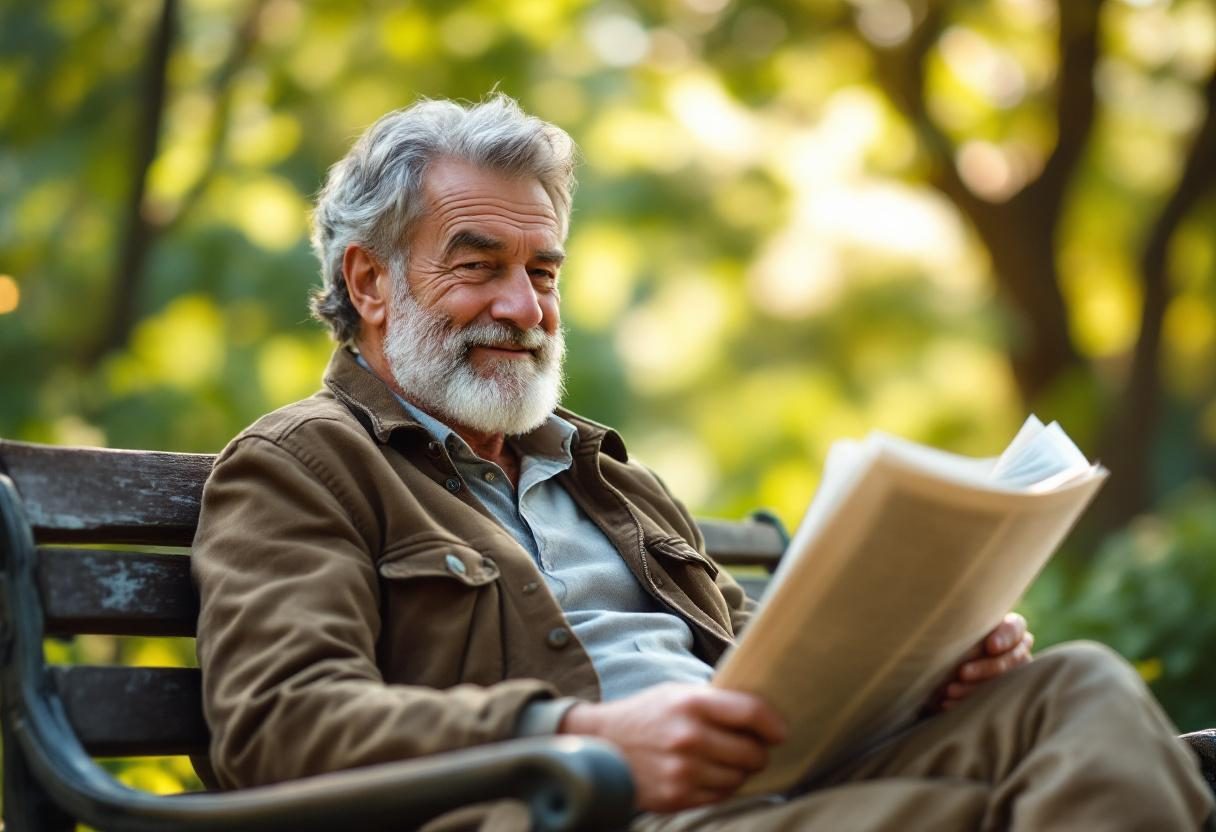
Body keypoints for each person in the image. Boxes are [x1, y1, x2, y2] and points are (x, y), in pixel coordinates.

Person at [192, 94, 1214, 831]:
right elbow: (280, 721)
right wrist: (580, 732)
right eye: (477, 266)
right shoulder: (305, 465)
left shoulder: (607, 475)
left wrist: (921, 677)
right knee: (987, 810)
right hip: (581, 809)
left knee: (1074, 688)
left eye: (542, 272)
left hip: (772, 789)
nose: (522, 307)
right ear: (369, 281)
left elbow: (764, 677)